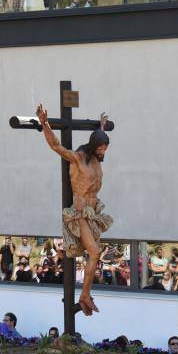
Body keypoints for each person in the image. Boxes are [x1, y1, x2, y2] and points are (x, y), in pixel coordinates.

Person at [37, 105, 113, 316]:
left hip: (93, 214)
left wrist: (100, 127)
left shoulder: (97, 160)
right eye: (100, 149)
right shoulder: (79, 158)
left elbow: (97, 139)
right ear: (93, 146)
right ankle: (84, 295)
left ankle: (85, 295)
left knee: (96, 254)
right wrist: (45, 124)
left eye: (105, 149)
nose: (103, 152)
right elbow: (56, 146)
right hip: (79, 214)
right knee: (95, 253)